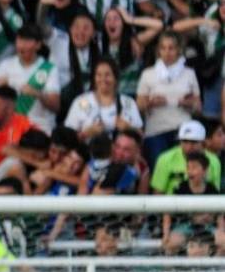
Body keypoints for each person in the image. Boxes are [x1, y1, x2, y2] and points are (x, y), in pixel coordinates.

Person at [137, 31, 201, 165]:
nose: (167, 52)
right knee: (160, 169)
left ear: (178, 50)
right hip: (156, 131)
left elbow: (198, 108)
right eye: (163, 48)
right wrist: (150, 103)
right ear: (158, 50)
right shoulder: (147, 74)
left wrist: (189, 104)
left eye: (171, 48)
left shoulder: (189, 73)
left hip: (183, 131)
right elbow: (139, 107)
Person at [63, 57, 144, 141]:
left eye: (107, 75)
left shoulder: (128, 103)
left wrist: (129, 128)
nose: (103, 79)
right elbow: (67, 140)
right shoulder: (80, 102)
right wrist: (85, 134)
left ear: (116, 78)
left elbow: (141, 137)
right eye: (99, 75)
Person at [151, 120, 223, 194]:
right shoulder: (164, 159)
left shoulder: (214, 161)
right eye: (185, 141)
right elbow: (158, 193)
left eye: (193, 142)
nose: (189, 146)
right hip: (172, 205)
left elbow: (215, 192)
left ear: (203, 142)